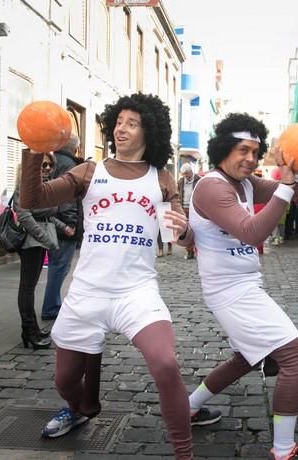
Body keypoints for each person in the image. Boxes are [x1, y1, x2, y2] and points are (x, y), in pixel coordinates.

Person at [19, 93, 196, 459]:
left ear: (150, 132)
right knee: (65, 380)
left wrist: (185, 230)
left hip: (137, 292)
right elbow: (33, 200)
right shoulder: (89, 171)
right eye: (119, 122)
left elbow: (178, 238)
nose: (122, 129)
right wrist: (34, 150)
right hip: (88, 293)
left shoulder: (161, 179)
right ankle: (78, 408)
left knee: (165, 363)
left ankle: (184, 453)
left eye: (132, 123)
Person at [186, 113, 298, 460]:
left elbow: (292, 193)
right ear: (223, 148)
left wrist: (295, 171)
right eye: (243, 150)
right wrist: (286, 186)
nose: (251, 160)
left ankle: (188, 407)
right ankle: (284, 449)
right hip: (230, 290)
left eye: (256, 152)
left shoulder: (244, 183)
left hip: (244, 285)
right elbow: (253, 232)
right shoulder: (212, 186)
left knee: (245, 359)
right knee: (295, 357)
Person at [13, 153, 66, 350]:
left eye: (49, 166)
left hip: (40, 241)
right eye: (42, 165)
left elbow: (48, 216)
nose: (46, 169)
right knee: (27, 288)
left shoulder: (42, 188)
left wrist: (63, 227)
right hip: (31, 243)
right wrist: (46, 240)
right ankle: (29, 331)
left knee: (31, 287)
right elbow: (26, 217)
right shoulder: (25, 187)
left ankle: (32, 329)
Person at [41, 133, 84, 321]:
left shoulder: (53, 160)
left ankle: (53, 304)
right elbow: (68, 198)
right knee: (59, 267)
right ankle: (51, 307)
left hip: (51, 221)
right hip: (63, 224)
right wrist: (70, 223)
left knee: (55, 266)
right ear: (74, 148)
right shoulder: (70, 166)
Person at [177, 163, 200, 259]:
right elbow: (177, 193)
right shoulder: (181, 181)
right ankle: (189, 251)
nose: (186, 176)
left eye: (187, 173)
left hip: (194, 208)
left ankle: (196, 249)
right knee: (186, 232)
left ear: (191, 172)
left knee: (196, 230)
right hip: (183, 208)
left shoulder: (198, 180)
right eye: (184, 174)